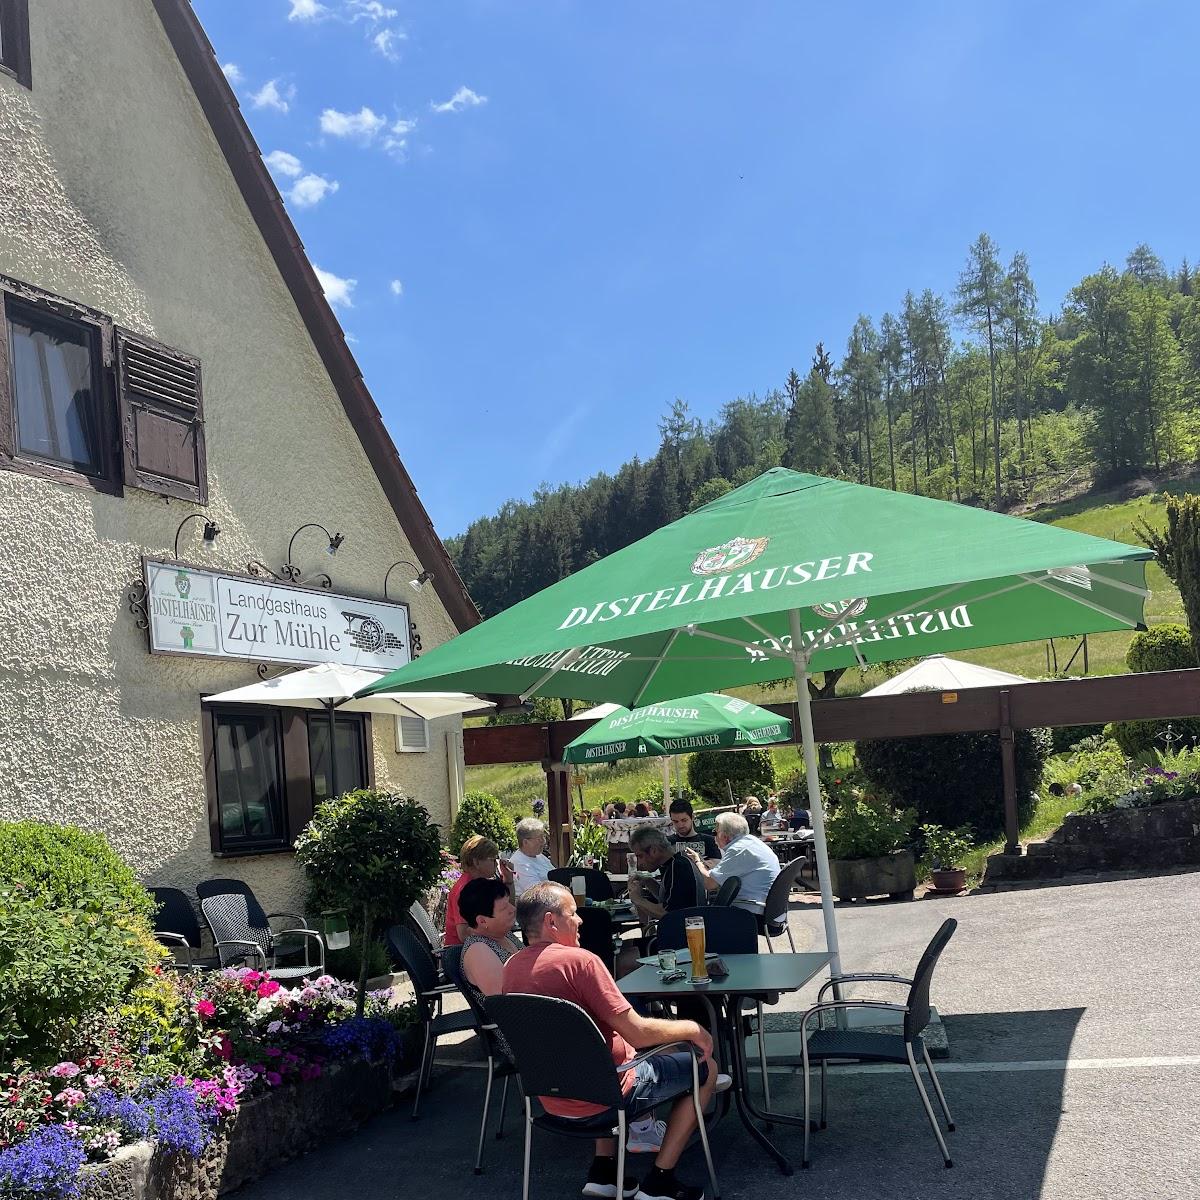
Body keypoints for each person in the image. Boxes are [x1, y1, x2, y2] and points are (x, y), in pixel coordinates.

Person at [503, 882, 725, 1200]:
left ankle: (604, 1172)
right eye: (573, 913)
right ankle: (660, 1182)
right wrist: (692, 1029)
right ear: (552, 922)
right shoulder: (581, 962)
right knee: (706, 1067)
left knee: (603, 1054)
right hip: (607, 1096)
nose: (579, 921)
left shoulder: (511, 969)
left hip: (550, 1099)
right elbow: (638, 1031)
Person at [685, 812, 780, 915]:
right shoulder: (752, 842)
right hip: (771, 912)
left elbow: (710, 883)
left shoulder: (738, 850)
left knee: (697, 916)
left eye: (715, 832)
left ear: (724, 836)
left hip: (751, 913)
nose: (714, 837)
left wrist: (697, 861)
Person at [444, 835, 514, 947]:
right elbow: (463, 935)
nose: (496, 864)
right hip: (461, 952)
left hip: (483, 944)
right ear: (476, 862)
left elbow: (508, 909)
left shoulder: (481, 884)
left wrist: (508, 880)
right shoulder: (464, 890)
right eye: (492, 859)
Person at [459, 877, 522, 1000]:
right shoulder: (478, 951)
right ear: (482, 921)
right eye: (504, 908)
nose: (513, 909)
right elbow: (506, 1001)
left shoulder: (504, 934)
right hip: (515, 1016)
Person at [626, 826, 702, 919]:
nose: (640, 863)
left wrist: (638, 899)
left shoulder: (678, 867)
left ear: (653, 850)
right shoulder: (673, 863)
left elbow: (668, 913)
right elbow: (670, 898)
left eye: (640, 856)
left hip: (687, 930)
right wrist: (648, 881)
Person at [508, 817, 553, 896]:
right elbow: (536, 892)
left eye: (543, 837)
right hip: (534, 905)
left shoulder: (540, 856)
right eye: (539, 839)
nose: (544, 842)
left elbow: (557, 876)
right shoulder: (519, 863)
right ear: (525, 842)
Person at [667, 799, 721, 864]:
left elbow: (717, 866)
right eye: (675, 821)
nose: (680, 825)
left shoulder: (708, 840)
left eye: (684, 820)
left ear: (692, 817)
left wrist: (698, 861)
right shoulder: (666, 842)